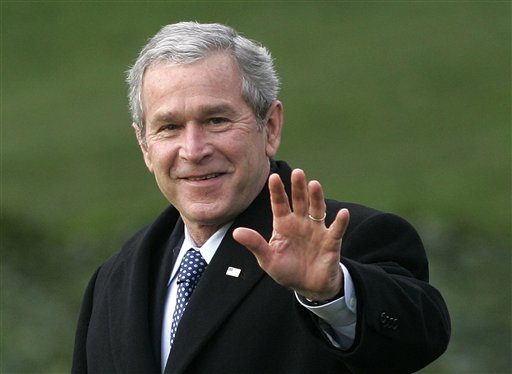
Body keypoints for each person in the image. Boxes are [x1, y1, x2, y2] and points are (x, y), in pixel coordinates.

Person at [72, 22, 450, 374]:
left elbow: (418, 339)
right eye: (169, 127)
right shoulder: (112, 280)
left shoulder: (349, 242)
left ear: (269, 127)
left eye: (216, 120)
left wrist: (332, 294)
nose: (193, 149)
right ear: (144, 147)